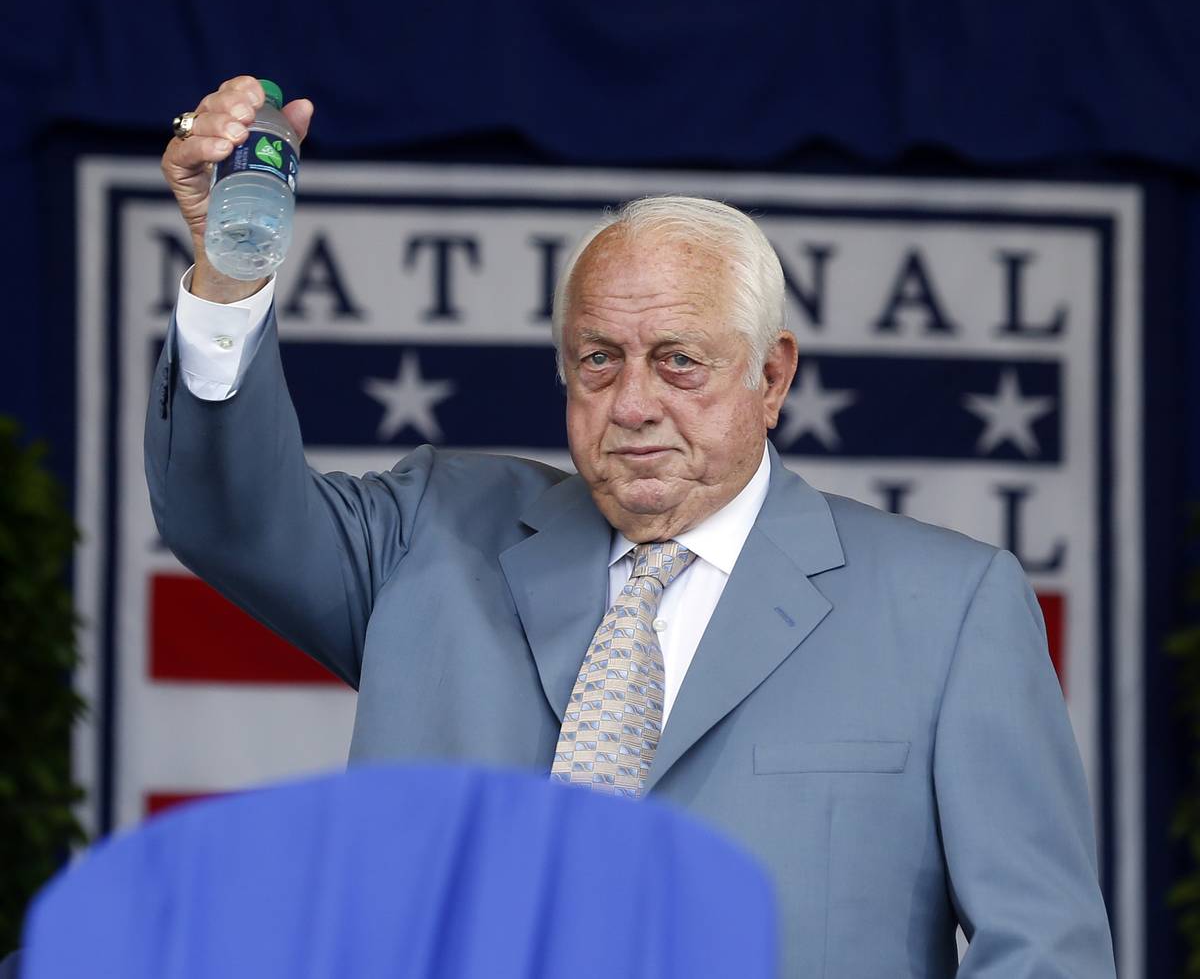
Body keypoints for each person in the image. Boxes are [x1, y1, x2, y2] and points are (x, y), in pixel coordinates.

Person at [151, 76, 1117, 977]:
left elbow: (1046, 948)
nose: (634, 404)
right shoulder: (429, 535)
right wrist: (231, 269)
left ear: (772, 376)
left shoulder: (950, 609)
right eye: (600, 359)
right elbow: (230, 517)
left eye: (681, 361)